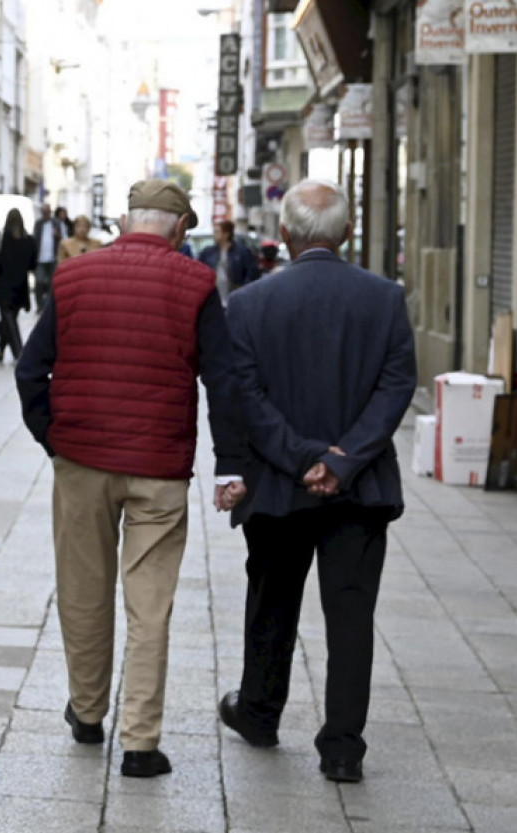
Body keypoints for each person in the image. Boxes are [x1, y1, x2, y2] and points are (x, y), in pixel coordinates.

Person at [15, 179, 246, 779]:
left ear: (123, 223)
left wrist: (54, 438)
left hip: (82, 465)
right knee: (150, 606)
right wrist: (229, 463)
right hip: (159, 471)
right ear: (178, 228)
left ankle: (88, 715)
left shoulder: (73, 277)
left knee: (83, 592)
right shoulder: (197, 284)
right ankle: (141, 744)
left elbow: (31, 368)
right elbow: (223, 380)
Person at [218, 180, 417, 784]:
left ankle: (258, 711)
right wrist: (344, 459)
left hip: (279, 486)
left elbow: (245, 397)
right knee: (351, 614)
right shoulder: (384, 298)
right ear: (348, 232)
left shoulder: (250, 304)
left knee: (272, 599)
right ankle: (342, 747)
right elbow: (397, 385)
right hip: (360, 490)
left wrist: (303, 457)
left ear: (284, 235)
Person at [0, 208, 36, 363]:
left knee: (8, 319)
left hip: (4, 285)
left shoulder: (2, 239)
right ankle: (1, 348)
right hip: (20, 286)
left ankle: (19, 352)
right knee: (10, 319)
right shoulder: (29, 240)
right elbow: (32, 264)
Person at [197, 219, 259, 305]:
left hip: (234, 299)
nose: (214, 235)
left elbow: (252, 273)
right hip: (213, 300)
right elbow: (199, 271)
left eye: (217, 232)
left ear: (226, 234)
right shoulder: (208, 252)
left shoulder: (242, 252)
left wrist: (243, 290)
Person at [32, 203, 63, 313]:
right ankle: (39, 305)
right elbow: (34, 239)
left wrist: (57, 235)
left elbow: (61, 239)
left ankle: (48, 306)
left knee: (51, 283)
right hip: (40, 258)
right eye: (44, 212)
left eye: (48, 212)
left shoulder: (56, 223)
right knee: (39, 282)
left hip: (52, 258)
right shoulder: (38, 224)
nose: (46, 214)